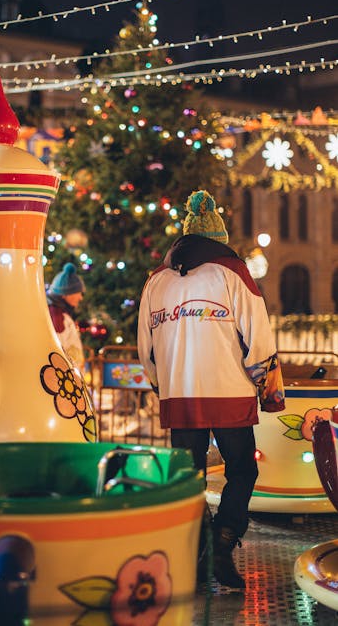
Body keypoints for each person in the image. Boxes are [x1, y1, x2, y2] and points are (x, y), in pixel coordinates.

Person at [137, 189, 285, 589]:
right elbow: (258, 337)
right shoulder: (232, 272)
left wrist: (162, 385)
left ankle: (194, 553)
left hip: (179, 394)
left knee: (189, 476)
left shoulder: (156, 281)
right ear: (218, 240)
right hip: (228, 390)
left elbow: (145, 349)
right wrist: (269, 390)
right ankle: (222, 540)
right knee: (242, 469)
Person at [47, 262, 86, 374]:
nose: (80, 298)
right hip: (65, 377)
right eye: (78, 293)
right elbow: (58, 348)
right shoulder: (57, 317)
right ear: (66, 294)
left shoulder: (60, 313)